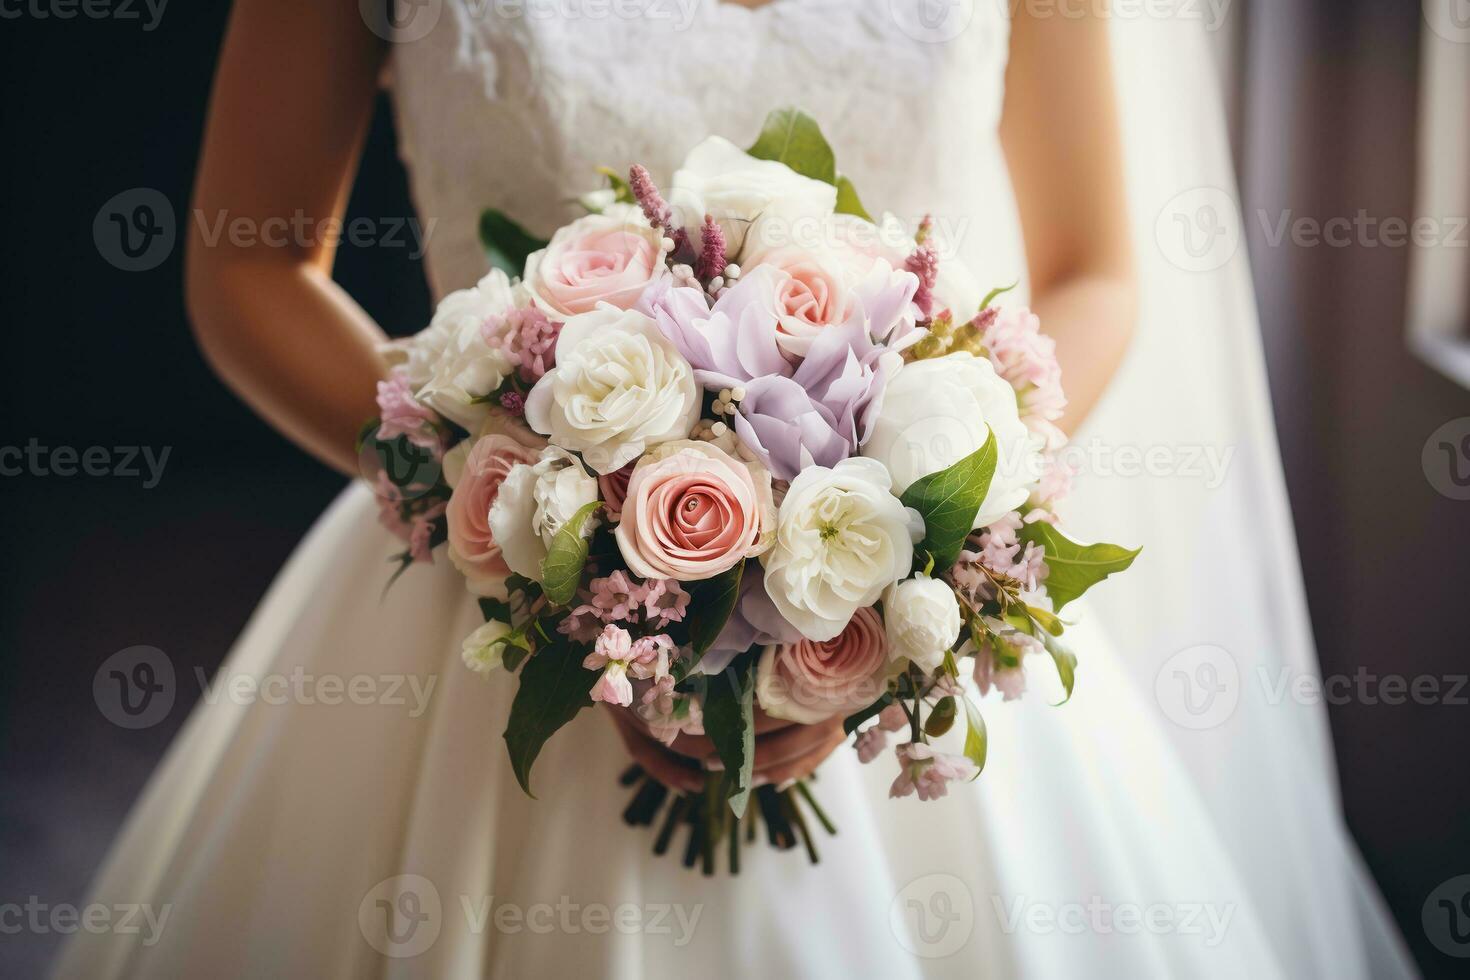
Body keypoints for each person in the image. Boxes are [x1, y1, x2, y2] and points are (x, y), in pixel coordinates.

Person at [55, 2, 1415, 977]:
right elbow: (246, 262)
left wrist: (922, 551)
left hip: (889, 591)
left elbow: (1093, 268)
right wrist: (517, 519)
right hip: (498, 598)